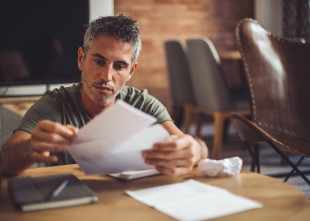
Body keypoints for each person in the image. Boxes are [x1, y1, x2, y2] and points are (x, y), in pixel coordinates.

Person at [1, 14, 208, 176]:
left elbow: (190, 146)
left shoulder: (143, 104)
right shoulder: (53, 105)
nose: (106, 76)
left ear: (131, 72)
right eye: (99, 61)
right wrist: (28, 149)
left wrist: (196, 150)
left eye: (119, 66)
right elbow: (5, 160)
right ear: (81, 59)